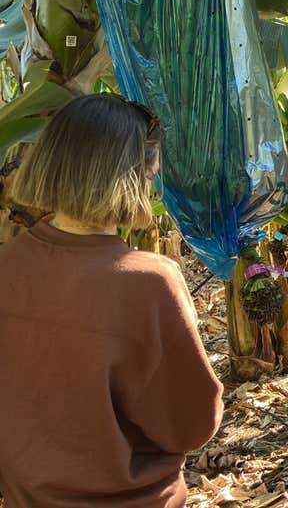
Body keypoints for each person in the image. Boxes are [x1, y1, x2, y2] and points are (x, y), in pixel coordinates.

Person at [0, 93, 224, 508]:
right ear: (134, 178)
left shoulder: (7, 264)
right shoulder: (149, 282)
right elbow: (190, 423)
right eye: (151, 174)